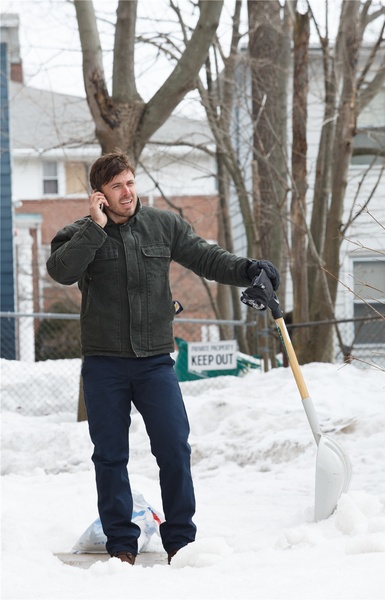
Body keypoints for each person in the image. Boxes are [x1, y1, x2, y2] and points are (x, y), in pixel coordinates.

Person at [46, 150, 280, 566]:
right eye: (116, 186)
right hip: (104, 363)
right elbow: (62, 272)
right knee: (110, 455)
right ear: (99, 195)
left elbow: (206, 257)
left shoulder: (162, 225)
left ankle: (181, 541)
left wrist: (248, 269)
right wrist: (96, 228)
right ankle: (121, 544)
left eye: (130, 183)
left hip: (154, 361)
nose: (127, 192)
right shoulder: (78, 234)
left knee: (174, 447)